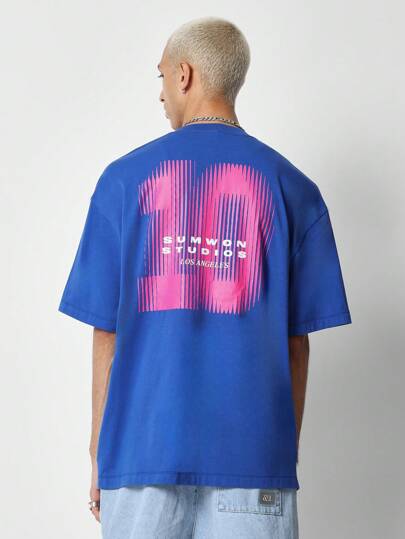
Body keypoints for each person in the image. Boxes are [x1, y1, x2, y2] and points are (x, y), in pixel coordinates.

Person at [58, 16, 352, 539]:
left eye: (162, 76)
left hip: (141, 455)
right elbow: (296, 345)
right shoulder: (293, 189)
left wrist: (99, 454)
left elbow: (107, 333)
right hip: (252, 458)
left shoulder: (123, 182)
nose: (161, 93)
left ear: (184, 75)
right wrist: (278, 455)